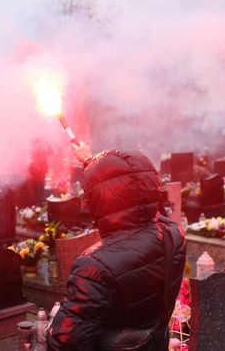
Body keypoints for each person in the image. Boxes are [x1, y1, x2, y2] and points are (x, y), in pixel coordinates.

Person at [47, 142, 186, 351]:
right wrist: (91, 164)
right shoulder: (173, 234)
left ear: (99, 198)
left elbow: (65, 345)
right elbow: (138, 198)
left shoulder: (94, 267)